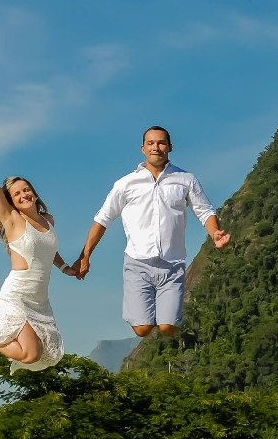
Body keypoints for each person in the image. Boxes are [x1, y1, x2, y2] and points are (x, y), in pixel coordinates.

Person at [73, 126, 231, 338]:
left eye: (161, 143)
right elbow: (102, 219)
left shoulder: (186, 180)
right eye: (151, 143)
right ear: (143, 148)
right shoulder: (126, 184)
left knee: (167, 328)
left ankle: (164, 310)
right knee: (142, 329)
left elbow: (205, 211)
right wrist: (85, 255)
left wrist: (215, 234)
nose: (156, 147)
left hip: (172, 264)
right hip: (138, 263)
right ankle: (143, 313)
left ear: (170, 147)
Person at [0, 130, 74, 373]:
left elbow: (48, 251)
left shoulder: (48, 220)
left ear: (34, 191)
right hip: (16, 295)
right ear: (10, 201)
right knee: (30, 355)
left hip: (39, 299)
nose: (24, 195)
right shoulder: (13, 221)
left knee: (45, 354)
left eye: (26, 189)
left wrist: (65, 267)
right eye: (17, 193)